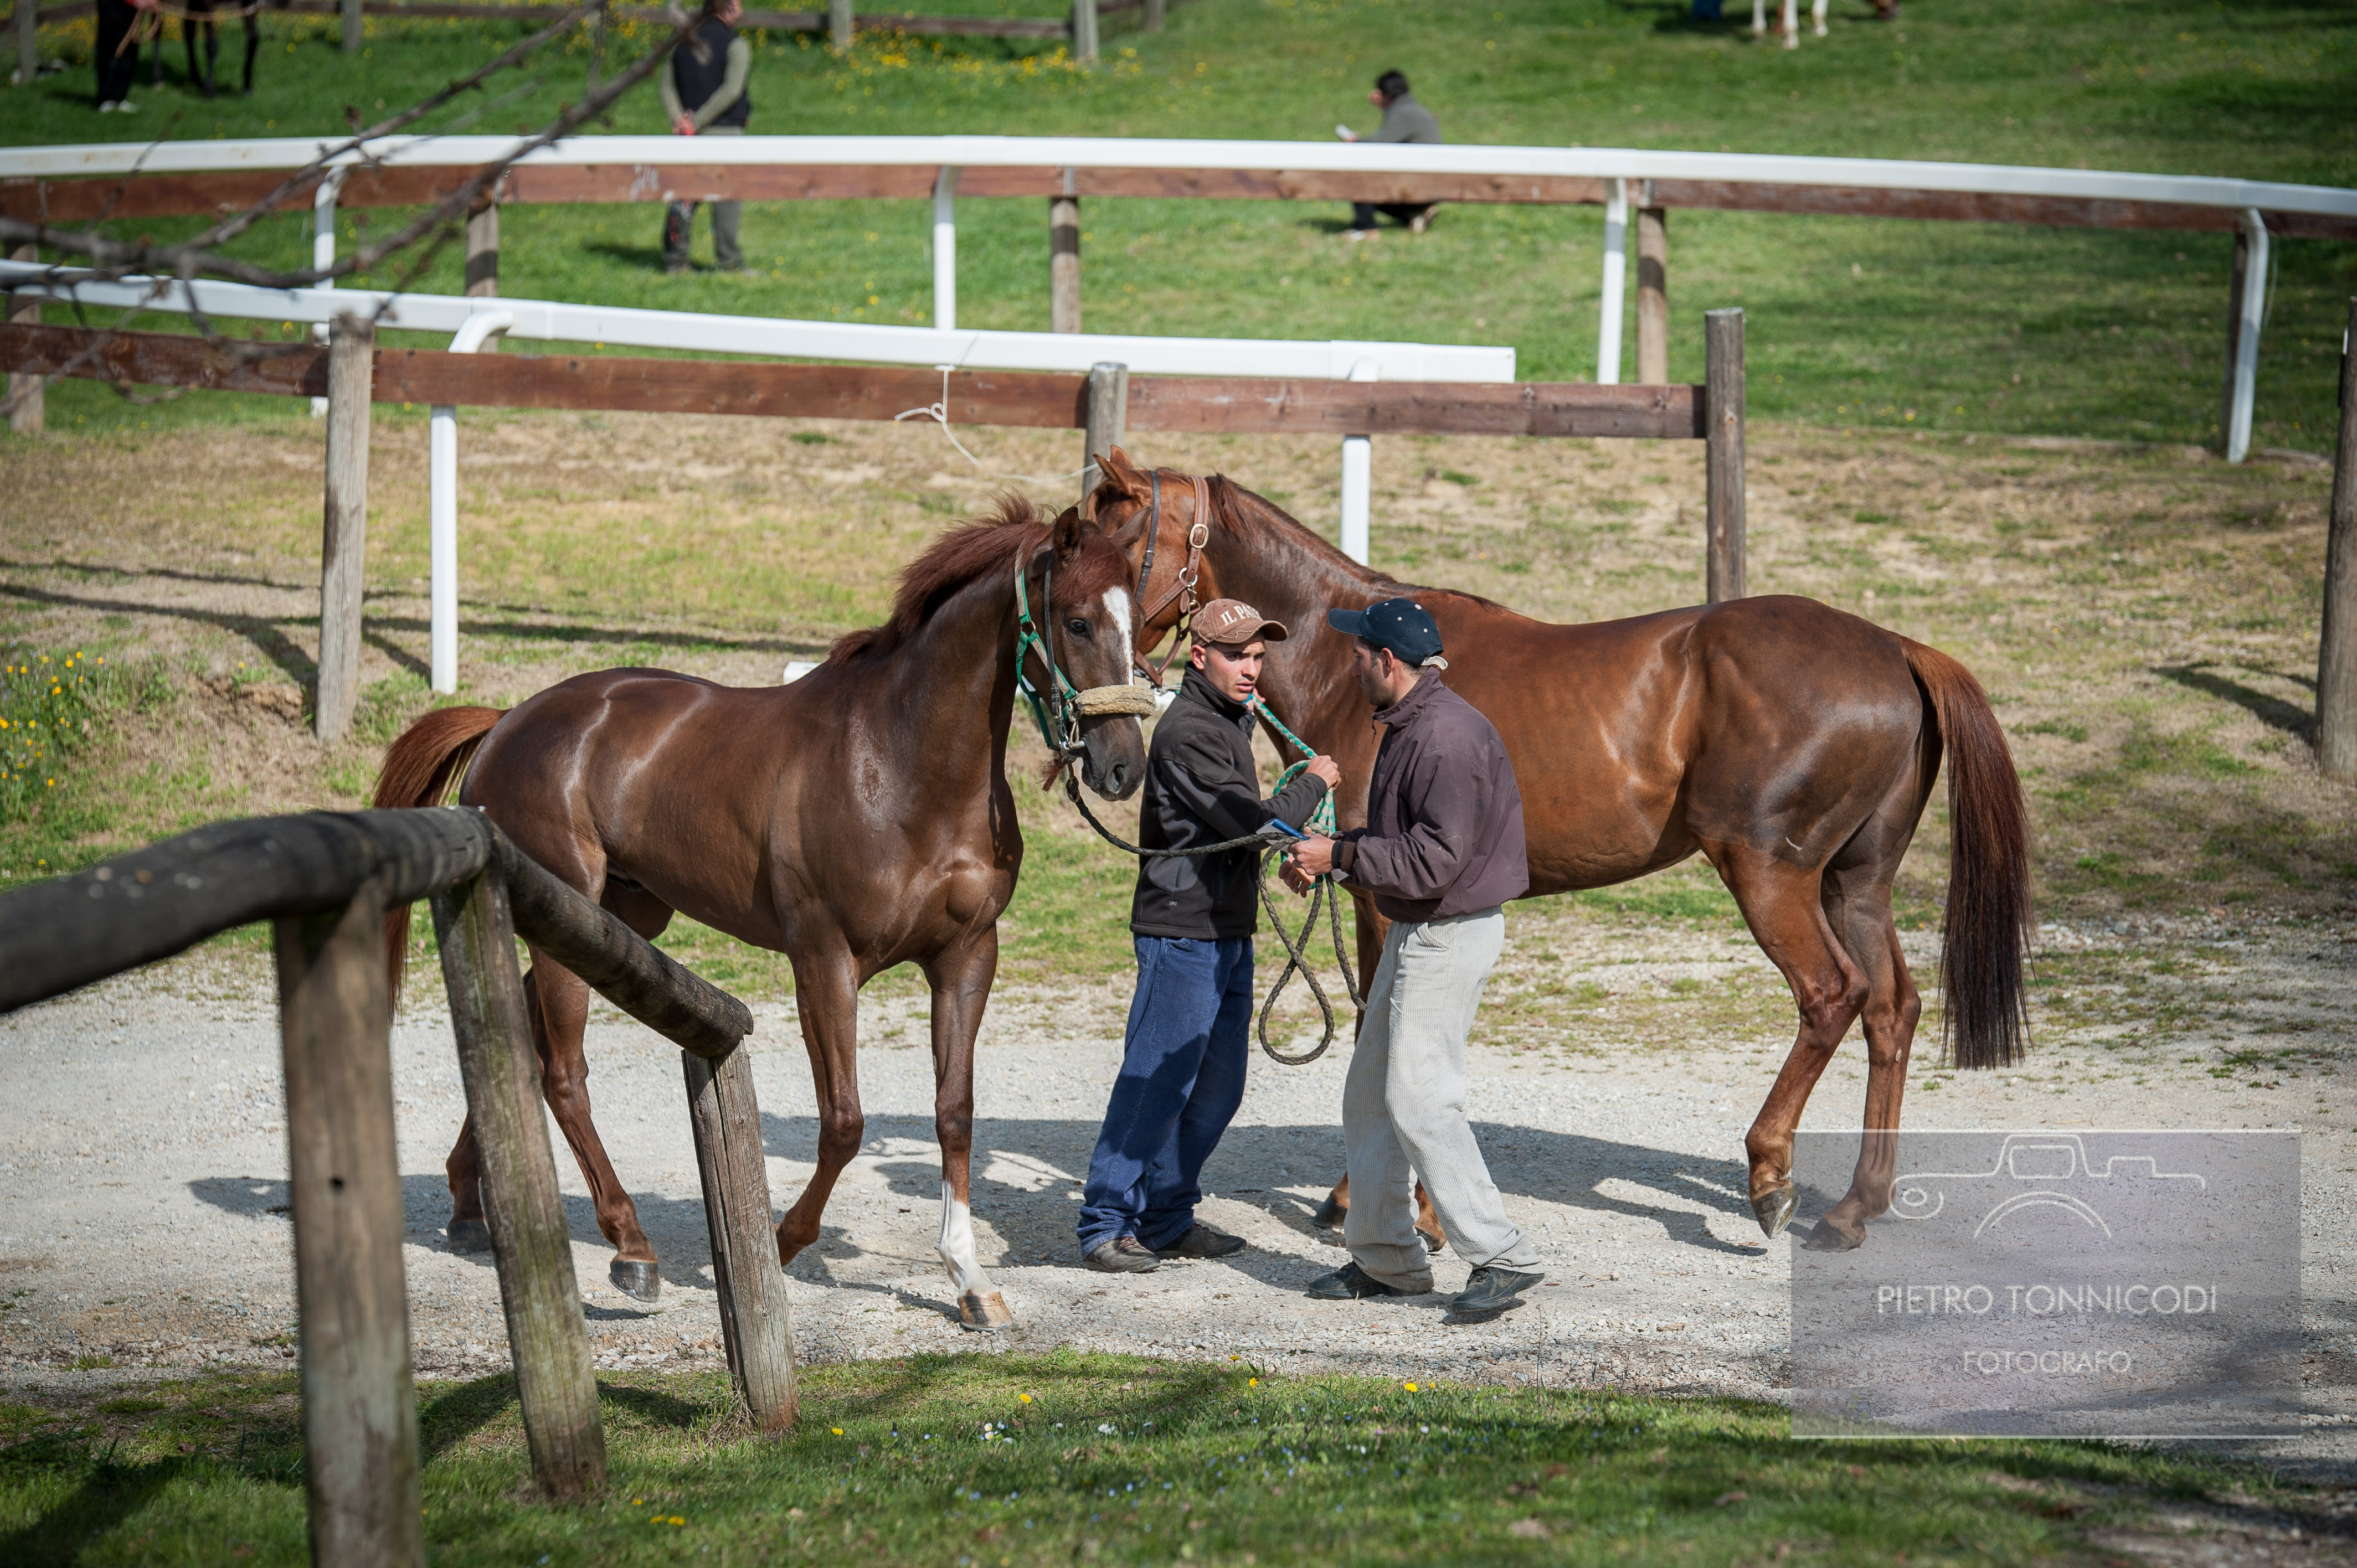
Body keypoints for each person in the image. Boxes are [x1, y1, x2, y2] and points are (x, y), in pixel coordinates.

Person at [1283, 597, 1542, 1320]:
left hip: (1446, 935)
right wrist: (1335, 860)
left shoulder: (1443, 739)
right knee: (1370, 1094)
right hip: (1423, 930)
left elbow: (1433, 861)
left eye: (1358, 653)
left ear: (1386, 662)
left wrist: (1338, 854)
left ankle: (1503, 1256)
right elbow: (1410, 836)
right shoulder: (1415, 722)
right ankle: (1388, 1258)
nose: (1352, 662)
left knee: (1421, 1101)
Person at [1077, 599, 1343, 1274]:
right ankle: (1105, 1223)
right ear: (1200, 657)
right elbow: (1251, 822)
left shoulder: (1228, 720)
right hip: (1180, 935)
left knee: (1218, 1089)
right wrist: (1312, 786)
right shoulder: (1191, 730)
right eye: (1236, 655)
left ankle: (1165, 1215)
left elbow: (1231, 830)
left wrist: (1289, 853)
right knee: (1154, 1083)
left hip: (1225, 931)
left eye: (1258, 656)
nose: (1251, 668)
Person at [659, 0, 752, 275]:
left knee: (683, 197)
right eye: (739, 4)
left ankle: (675, 260)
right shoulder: (737, 46)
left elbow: (666, 85)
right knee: (727, 199)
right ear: (728, 9)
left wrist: (680, 119)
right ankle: (730, 261)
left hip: (689, 137)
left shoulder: (682, 43)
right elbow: (731, 91)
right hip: (725, 133)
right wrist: (697, 122)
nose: (743, 10)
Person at [1336, 69, 1440, 240]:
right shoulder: (1412, 110)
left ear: (1387, 95)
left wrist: (1356, 142)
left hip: (1419, 185)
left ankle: (1366, 229)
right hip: (1428, 182)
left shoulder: (1403, 113)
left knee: (1359, 175)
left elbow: (1376, 145)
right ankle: (1415, 214)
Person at [94, 0, 156, 112]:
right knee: (110, 47)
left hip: (130, 8)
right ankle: (106, 98)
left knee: (129, 50)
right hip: (113, 5)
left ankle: (120, 96)